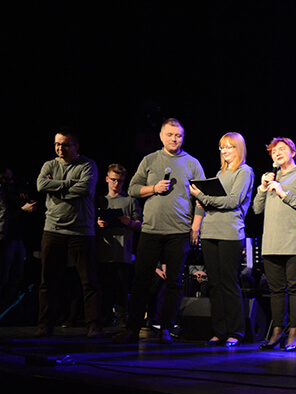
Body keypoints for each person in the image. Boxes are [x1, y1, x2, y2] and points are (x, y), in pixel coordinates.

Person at [112, 118, 206, 344]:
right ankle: (132, 329)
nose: (174, 139)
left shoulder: (192, 163)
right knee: (141, 281)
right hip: (151, 230)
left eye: (178, 135)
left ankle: (165, 329)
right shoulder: (150, 160)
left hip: (179, 231)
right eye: (170, 135)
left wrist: (196, 226)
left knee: (174, 283)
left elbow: (202, 198)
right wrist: (154, 188)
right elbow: (133, 189)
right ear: (161, 136)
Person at [190, 132, 254, 347]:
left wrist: (201, 196)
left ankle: (236, 331)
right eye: (222, 147)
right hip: (210, 232)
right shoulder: (220, 173)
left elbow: (232, 201)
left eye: (230, 147)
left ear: (239, 149)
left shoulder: (244, 171)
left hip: (229, 233)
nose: (225, 151)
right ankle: (219, 330)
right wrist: (202, 204)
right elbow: (212, 202)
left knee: (229, 283)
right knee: (214, 284)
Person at [35, 128, 101, 338]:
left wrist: (55, 188)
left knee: (88, 281)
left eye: (64, 144)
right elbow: (41, 185)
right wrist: (70, 184)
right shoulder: (49, 165)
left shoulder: (87, 165)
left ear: (76, 146)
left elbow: (85, 189)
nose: (59, 148)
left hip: (81, 231)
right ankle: (45, 324)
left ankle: (94, 325)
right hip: (53, 228)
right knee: (48, 280)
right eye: (57, 144)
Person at [253, 137, 296, 352]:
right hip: (272, 242)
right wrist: (262, 188)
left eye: (281, 149)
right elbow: (257, 209)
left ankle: (294, 332)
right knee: (276, 290)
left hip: (295, 241)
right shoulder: (272, 178)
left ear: (293, 152)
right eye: (273, 151)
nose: (277, 153)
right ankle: (277, 330)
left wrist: (283, 193)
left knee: (295, 287)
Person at [96, 164, 142, 326]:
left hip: (123, 253)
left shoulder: (130, 200)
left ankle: (122, 320)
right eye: (113, 180)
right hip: (104, 252)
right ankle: (105, 320)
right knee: (105, 288)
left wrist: (130, 223)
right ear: (107, 179)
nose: (116, 184)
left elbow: (140, 224)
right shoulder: (100, 200)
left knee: (121, 289)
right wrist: (98, 224)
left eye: (120, 181)